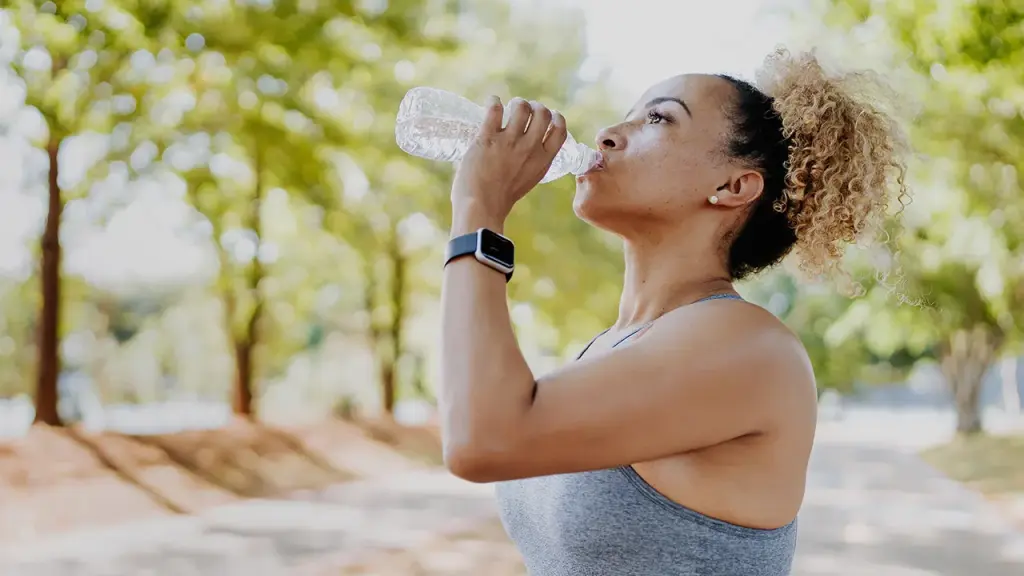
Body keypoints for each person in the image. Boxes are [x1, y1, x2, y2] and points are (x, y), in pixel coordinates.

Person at [438, 48, 908, 576]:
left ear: (733, 186)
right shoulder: (610, 347)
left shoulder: (749, 348)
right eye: (629, 115)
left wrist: (478, 207)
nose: (609, 134)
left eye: (658, 118)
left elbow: (482, 441)